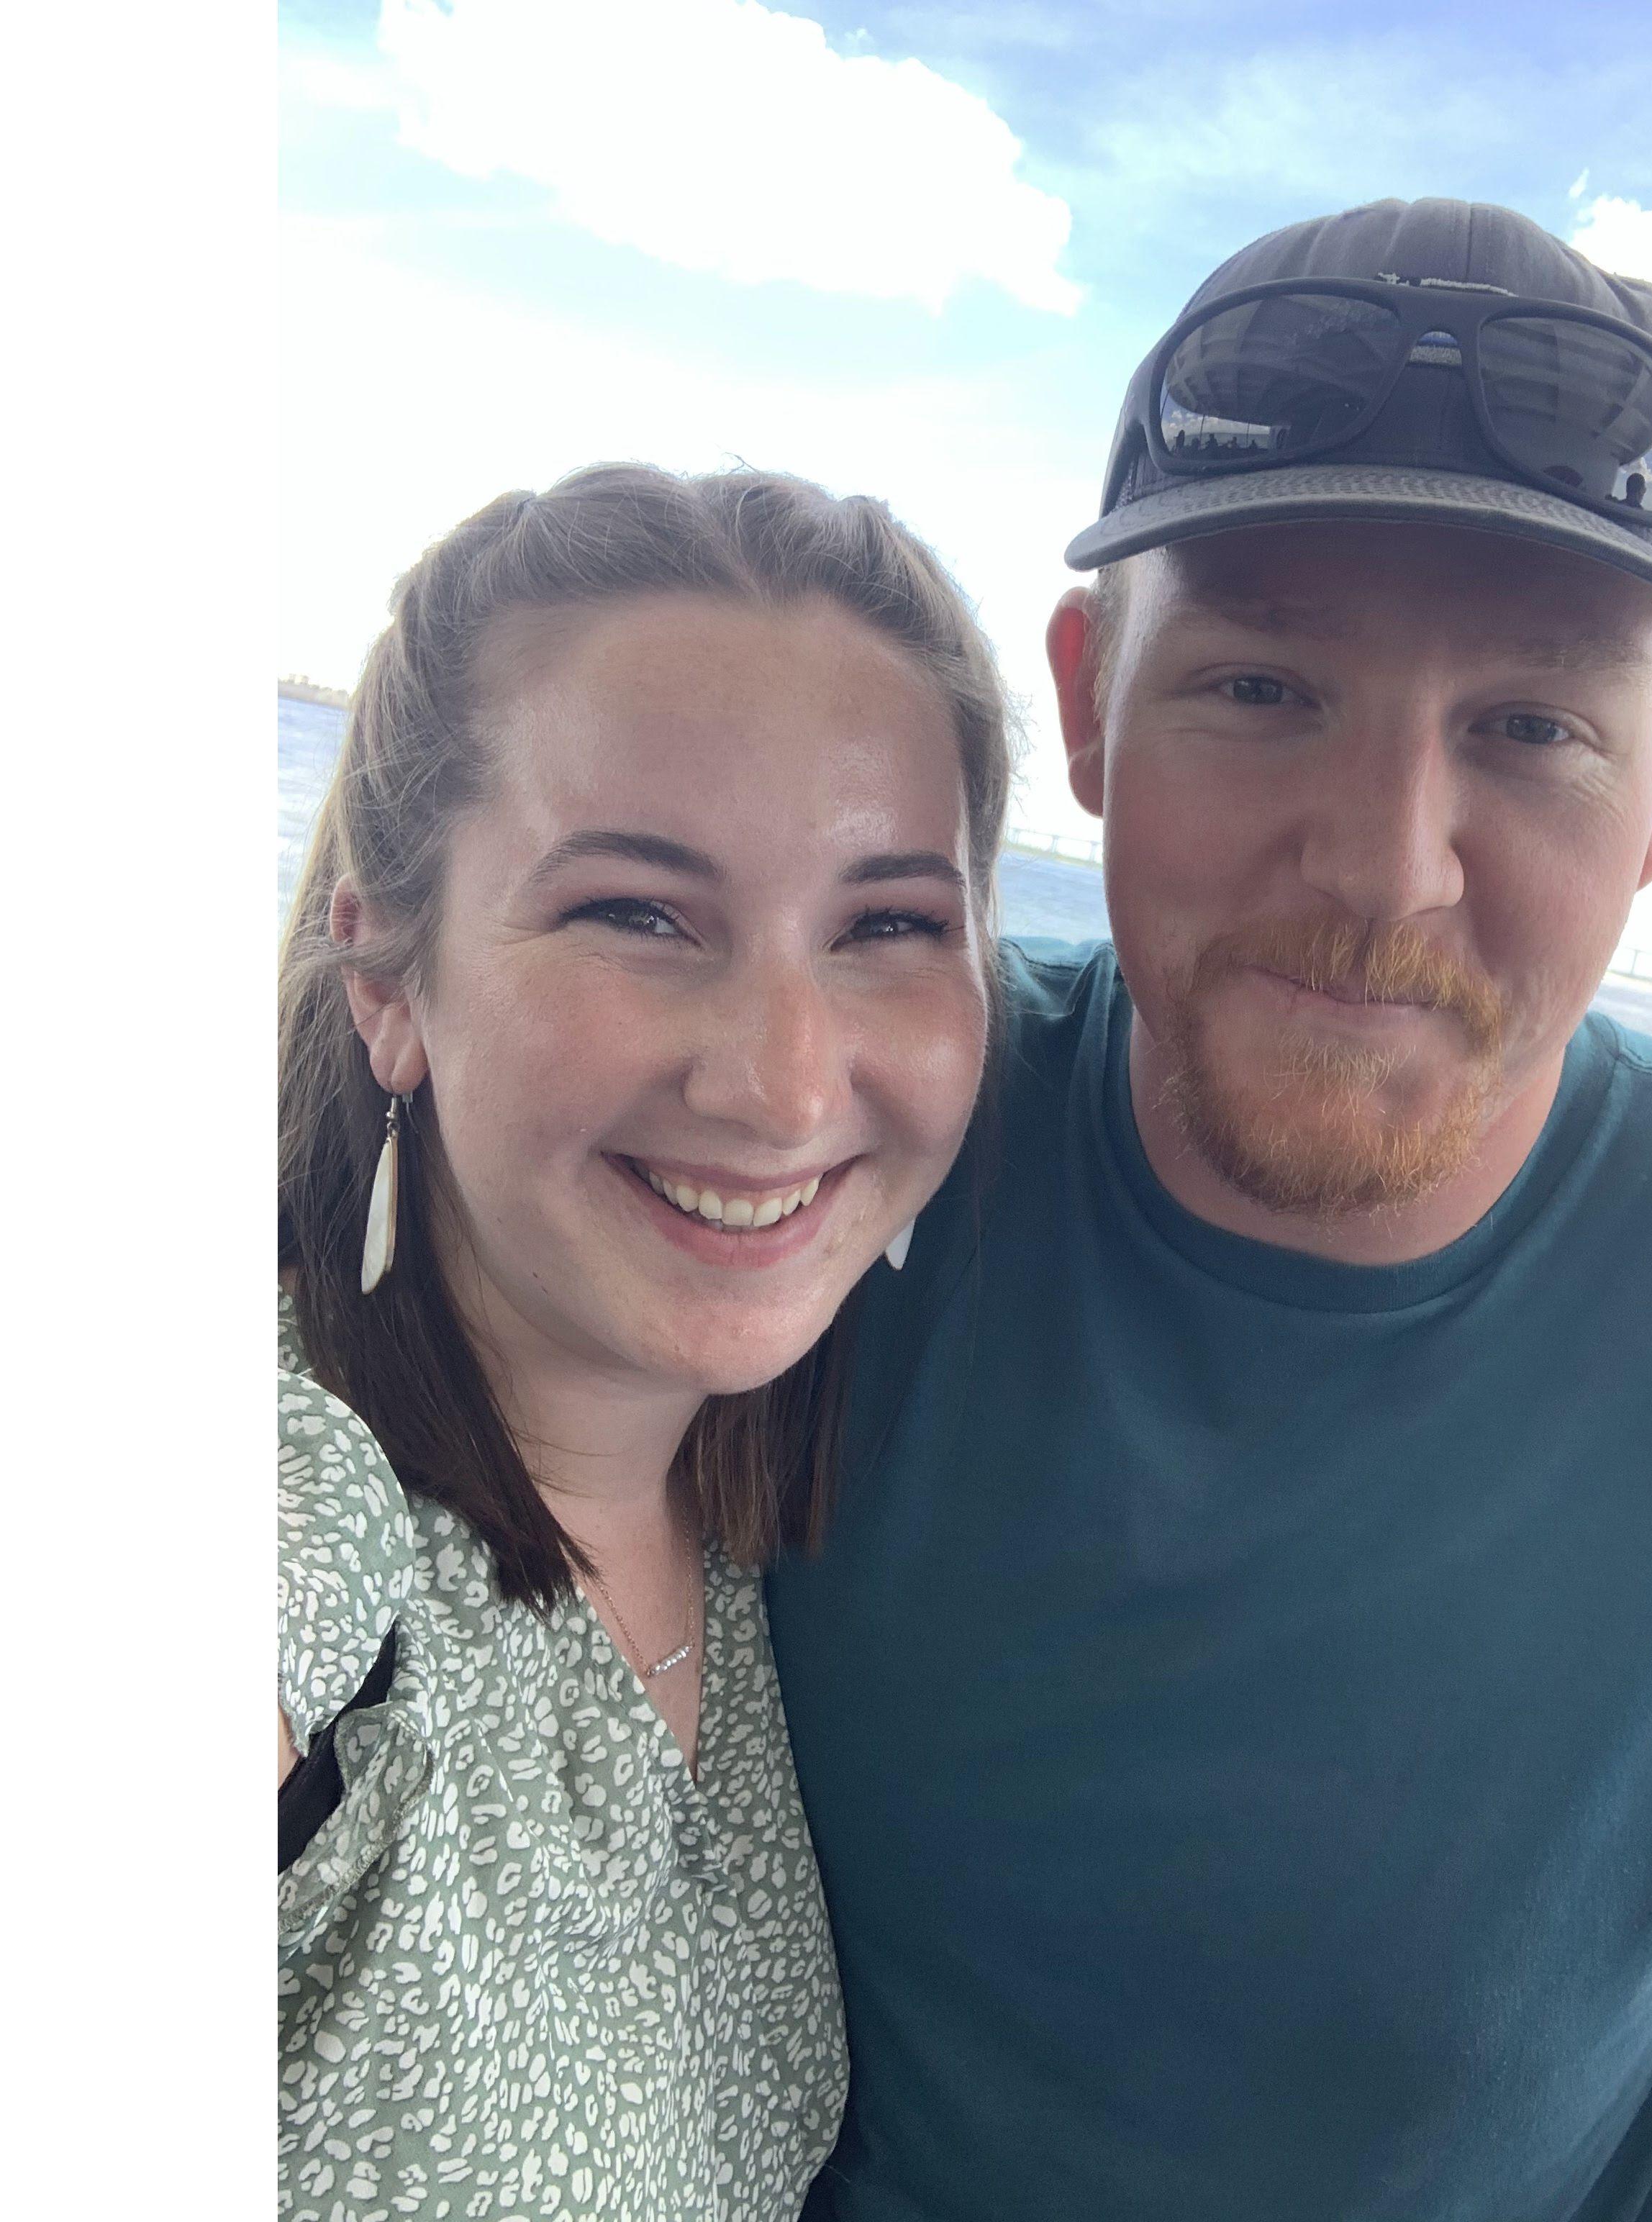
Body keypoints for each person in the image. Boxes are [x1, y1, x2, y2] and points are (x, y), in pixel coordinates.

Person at [766, 199, 1652, 2222]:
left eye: (1535, 729)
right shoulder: (823, 1138)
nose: (1387, 867)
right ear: (1089, 703)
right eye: (1263, 689)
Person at [276, 463, 1012, 2221]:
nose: (779, 1078)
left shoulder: (752, 1528)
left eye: (886, 923)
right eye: (637, 910)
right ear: (387, 973)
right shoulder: (292, 1486)